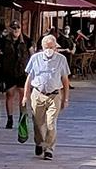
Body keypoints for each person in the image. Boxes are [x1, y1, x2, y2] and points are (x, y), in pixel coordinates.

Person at [23, 32, 71, 160]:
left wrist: (66, 98)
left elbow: (65, 80)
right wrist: (25, 96)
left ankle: (49, 148)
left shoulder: (61, 59)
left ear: (56, 47)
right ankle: (39, 142)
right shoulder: (35, 58)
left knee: (51, 123)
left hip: (54, 95)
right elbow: (29, 78)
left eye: (52, 47)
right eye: (47, 47)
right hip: (38, 94)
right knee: (38, 124)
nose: (49, 50)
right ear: (42, 48)